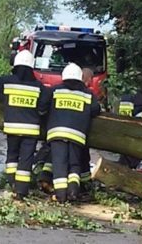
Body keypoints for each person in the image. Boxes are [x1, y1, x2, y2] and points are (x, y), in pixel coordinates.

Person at [0, 50, 50, 199]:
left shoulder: (7, 81)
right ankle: (21, 192)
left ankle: (11, 182)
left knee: (12, 157)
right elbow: (44, 107)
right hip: (31, 131)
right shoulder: (39, 87)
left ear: (16, 65)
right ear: (32, 67)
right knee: (26, 160)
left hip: (12, 128)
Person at [44, 63, 101, 203]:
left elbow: (43, 107)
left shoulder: (54, 91)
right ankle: (73, 192)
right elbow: (96, 110)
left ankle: (60, 196)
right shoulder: (88, 94)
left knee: (60, 164)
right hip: (77, 136)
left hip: (57, 134)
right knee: (75, 164)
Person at [117, 89, 142, 169]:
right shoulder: (139, 96)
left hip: (132, 133)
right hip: (138, 131)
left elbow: (124, 118)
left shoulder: (128, 96)